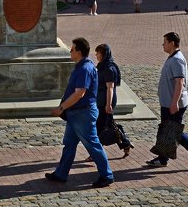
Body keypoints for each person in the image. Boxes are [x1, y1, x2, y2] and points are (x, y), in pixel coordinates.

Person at [46, 37, 114, 188]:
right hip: (75, 114)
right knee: (69, 144)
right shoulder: (82, 66)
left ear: (79, 52)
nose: (70, 51)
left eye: (72, 49)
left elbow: (79, 93)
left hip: (82, 114)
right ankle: (61, 173)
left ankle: (106, 175)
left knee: (93, 145)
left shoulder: (84, 69)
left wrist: (61, 108)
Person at [146, 31, 188, 170]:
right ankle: (162, 158)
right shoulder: (172, 57)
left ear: (172, 43)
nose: (163, 45)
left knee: (173, 131)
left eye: (165, 42)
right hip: (168, 102)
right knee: (167, 130)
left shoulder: (177, 59)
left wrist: (174, 102)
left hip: (173, 103)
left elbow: (179, 83)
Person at [94, 43, 132, 157]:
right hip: (101, 100)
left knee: (101, 126)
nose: (96, 55)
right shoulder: (102, 66)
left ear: (104, 54)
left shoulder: (109, 69)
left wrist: (108, 104)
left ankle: (96, 153)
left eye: (98, 53)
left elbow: (110, 87)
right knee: (107, 125)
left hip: (106, 101)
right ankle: (125, 143)